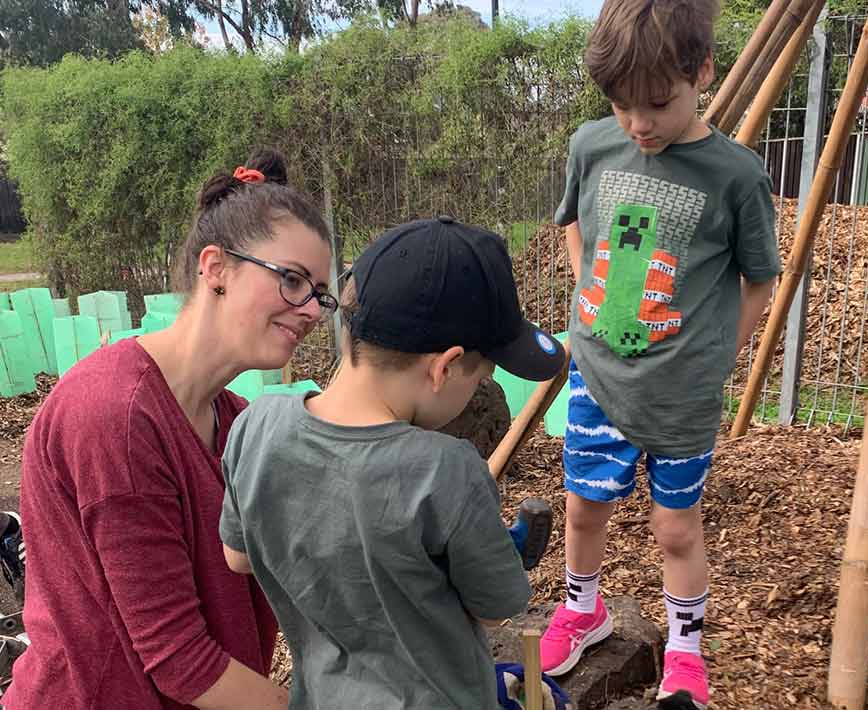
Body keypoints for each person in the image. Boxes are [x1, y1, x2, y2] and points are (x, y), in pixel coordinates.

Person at [2, 148, 336, 710]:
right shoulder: (117, 415)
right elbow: (180, 661)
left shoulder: (232, 421)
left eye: (321, 293)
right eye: (293, 280)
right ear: (216, 269)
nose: (311, 311)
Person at [539, 0, 782, 707]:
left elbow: (758, 278)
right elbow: (573, 226)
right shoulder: (592, 145)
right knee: (583, 508)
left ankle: (682, 649)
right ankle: (583, 608)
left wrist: (718, 359)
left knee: (674, 526)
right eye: (620, 106)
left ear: (701, 70)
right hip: (597, 376)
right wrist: (593, 306)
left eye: (656, 103)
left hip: (681, 394)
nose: (638, 124)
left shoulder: (735, 174)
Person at [218, 216, 567, 709]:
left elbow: (238, 556)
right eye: (481, 375)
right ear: (443, 368)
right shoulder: (448, 471)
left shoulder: (257, 425)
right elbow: (495, 609)